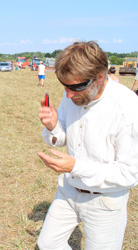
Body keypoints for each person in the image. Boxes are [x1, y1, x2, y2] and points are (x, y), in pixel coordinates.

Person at [37, 41, 138, 249]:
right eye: (64, 87)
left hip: (104, 201)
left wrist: (75, 167)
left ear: (100, 77)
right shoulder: (73, 95)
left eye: (75, 88)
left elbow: (129, 173)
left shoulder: (127, 109)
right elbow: (63, 137)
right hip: (68, 190)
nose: (68, 95)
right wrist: (54, 126)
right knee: (48, 244)